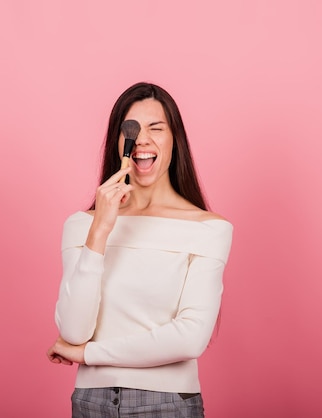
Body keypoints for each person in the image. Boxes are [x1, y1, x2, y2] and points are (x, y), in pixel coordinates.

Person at [47, 82, 233, 418]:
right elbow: (73, 331)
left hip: (168, 403)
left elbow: (189, 338)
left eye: (156, 128)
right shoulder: (82, 225)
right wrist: (101, 229)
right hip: (90, 403)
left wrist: (88, 355)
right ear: (120, 142)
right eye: (132, 129)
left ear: (175, 139)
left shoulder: (209, 229)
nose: (143, 139)